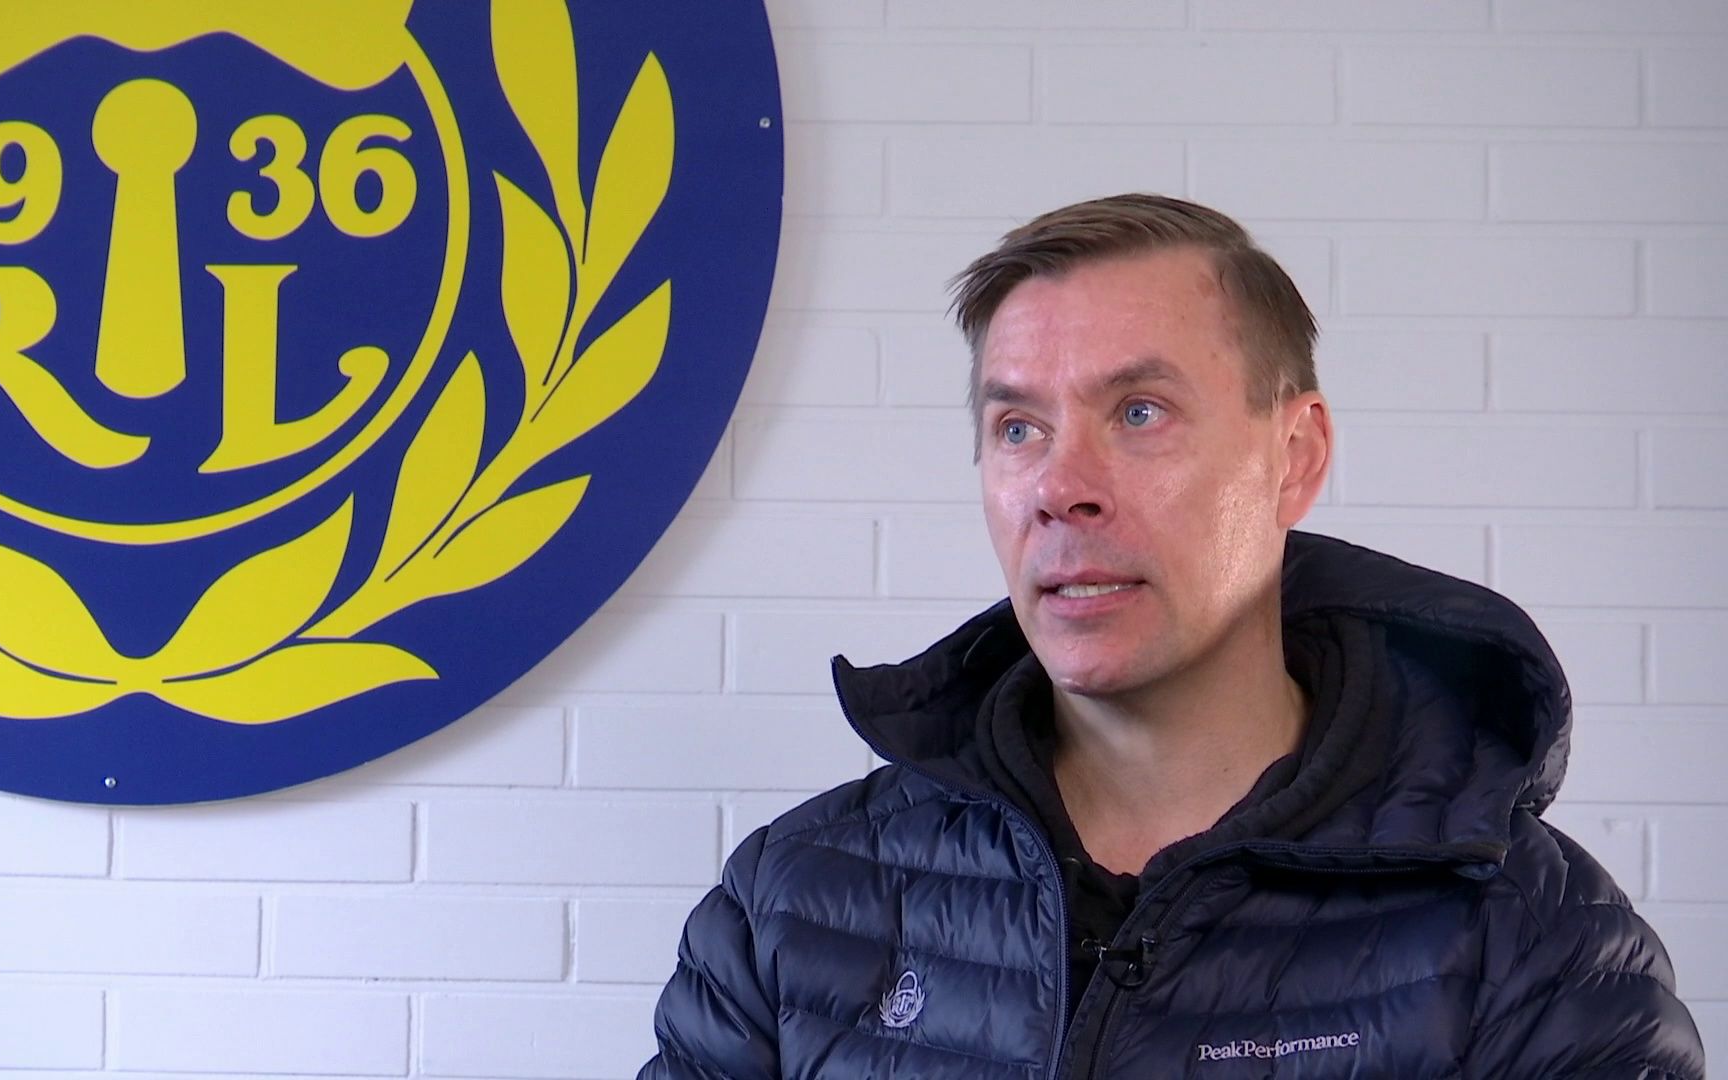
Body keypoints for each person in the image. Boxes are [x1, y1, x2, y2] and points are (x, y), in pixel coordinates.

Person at [638, 194, 1705, 1078]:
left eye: (1139, 412)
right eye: (1019, 428)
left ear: (1294, 457)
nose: (1060, 486)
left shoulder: (1533, 942)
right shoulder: (791, 906)